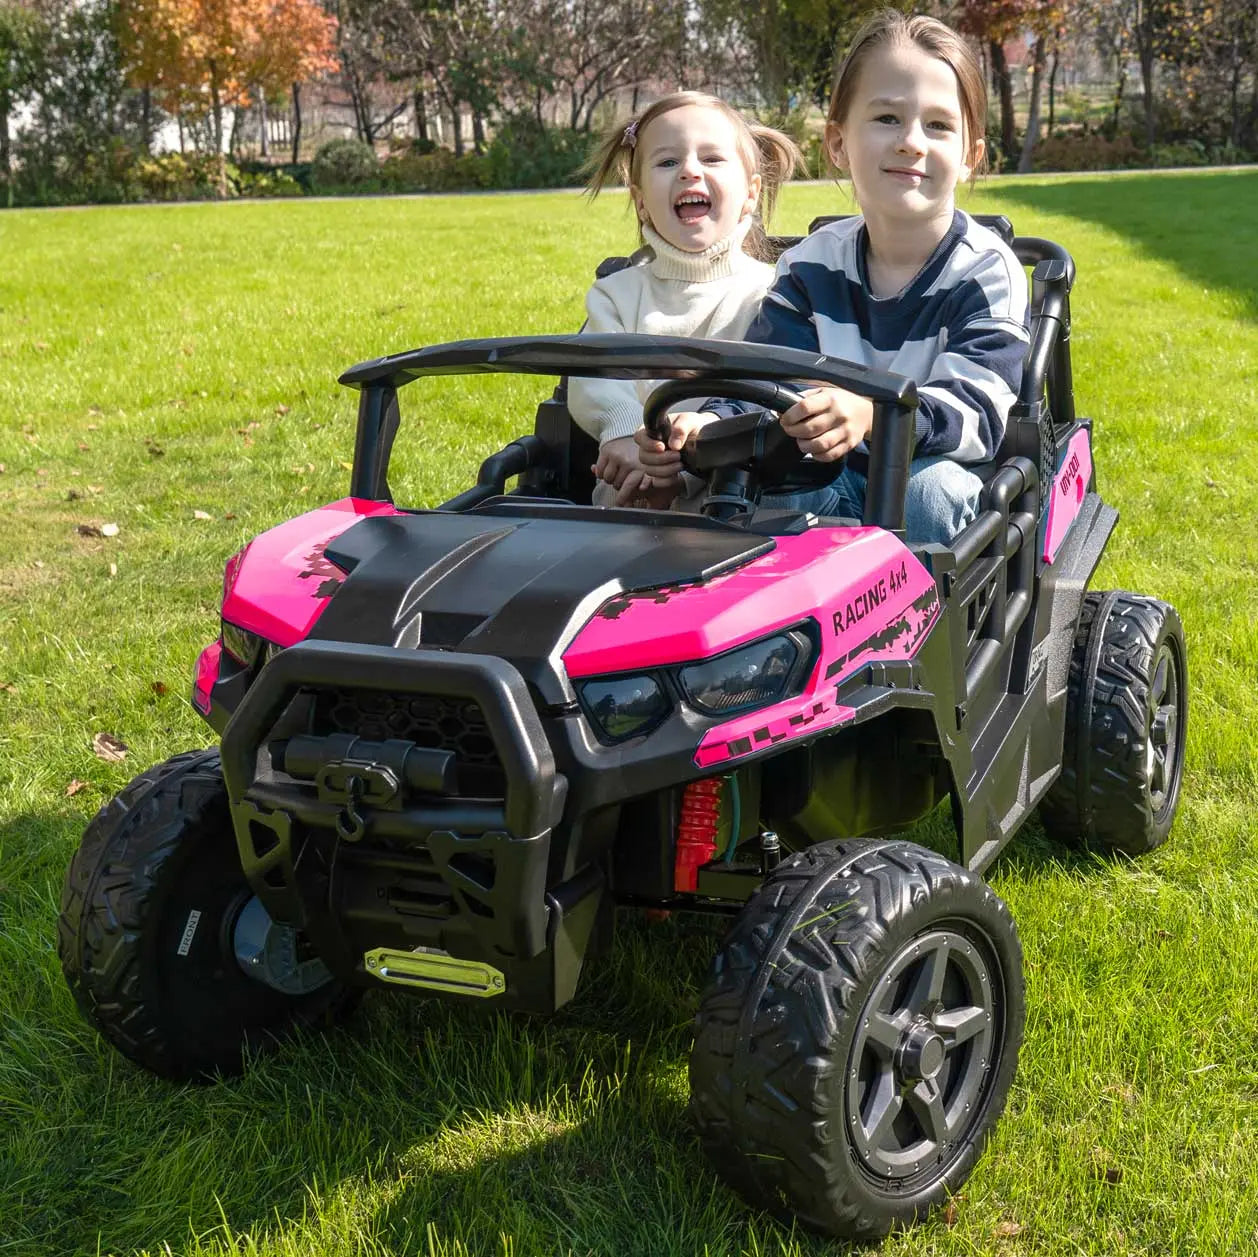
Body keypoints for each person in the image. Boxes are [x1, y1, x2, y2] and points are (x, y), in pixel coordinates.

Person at [637, 10, 1030, 544]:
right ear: (838, 144)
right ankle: (795, 622)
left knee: (926, 495)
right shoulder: (811, 265)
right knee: (763, 489)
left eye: (938, 125)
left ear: (970, 157)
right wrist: (710, 421)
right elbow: (768, 376)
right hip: (827, 474)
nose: (912, 141)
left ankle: (916, 623)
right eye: (887, 118)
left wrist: (873, 415)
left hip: (935, 471)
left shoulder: (984, 270)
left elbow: (977, 415)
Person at [569, 92, 801, 507]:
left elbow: (776, 386)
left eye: (711, 159)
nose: (690, 171)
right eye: (667, 162)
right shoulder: (617, 294)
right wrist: (622, 434)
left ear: (750, 193)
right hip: (630, 483)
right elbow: (591, 377)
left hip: (740, 494)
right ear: (641, 202)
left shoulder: (776, 291)